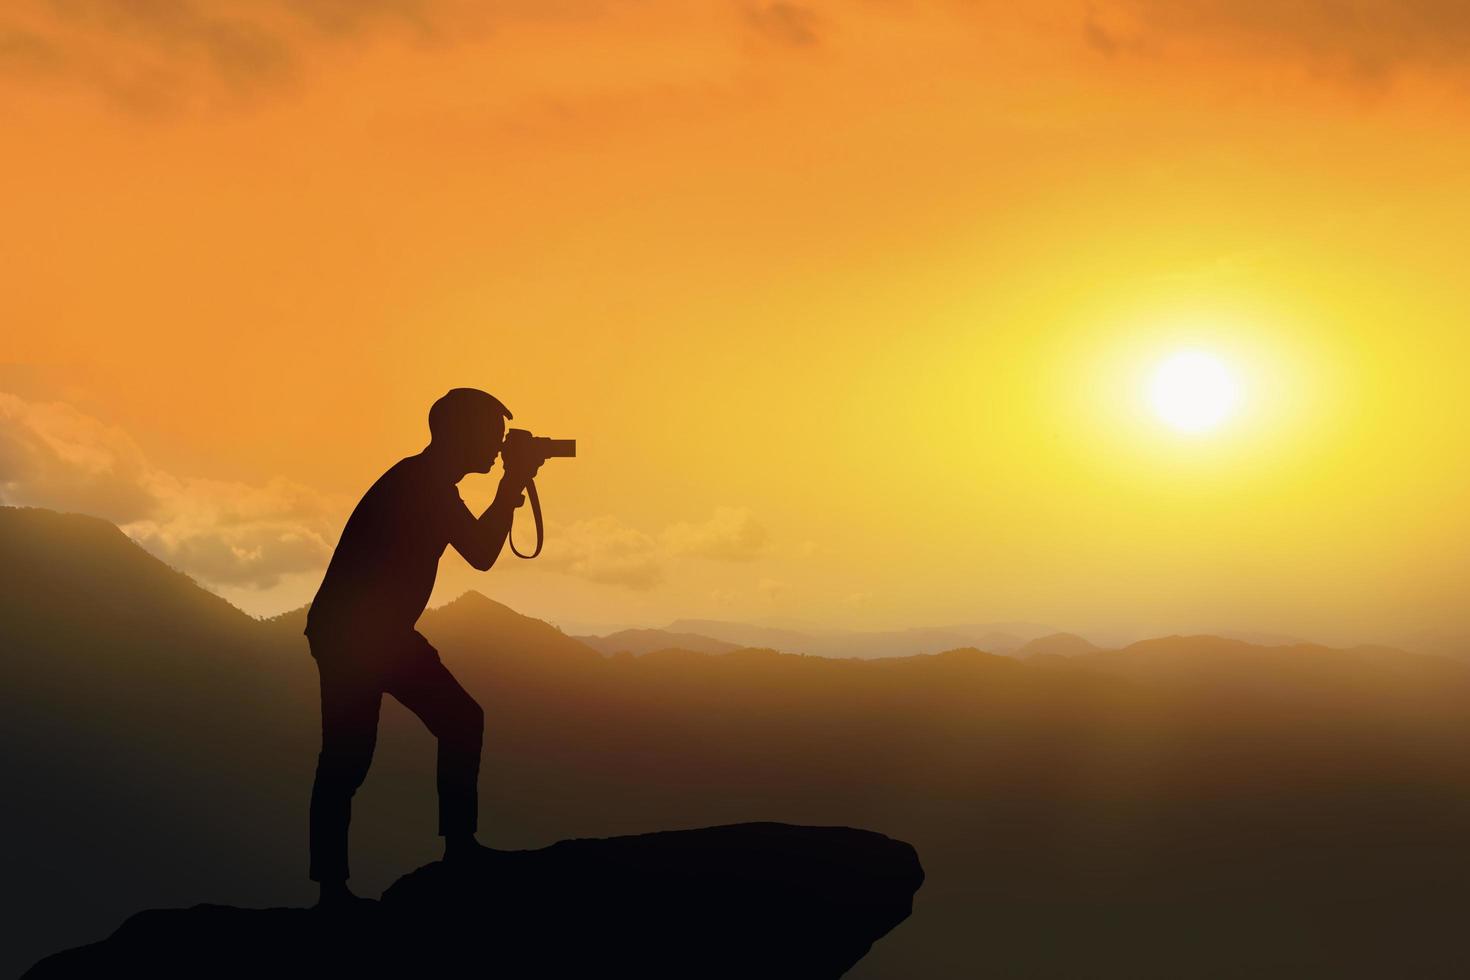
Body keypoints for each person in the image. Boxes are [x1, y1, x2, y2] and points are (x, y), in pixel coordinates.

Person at [304, 387, 541, 908]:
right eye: (492, 437)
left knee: (451, 724)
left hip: (371, 631)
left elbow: (477, 549)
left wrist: (510, 485)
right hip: (358, 634)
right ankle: (340, 888)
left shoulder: (423, 479)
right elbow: (481, 553)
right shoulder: (423, 486)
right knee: (351, 755)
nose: (498, 446)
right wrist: (511, 486)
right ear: (461, 435)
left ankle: (440, 854)